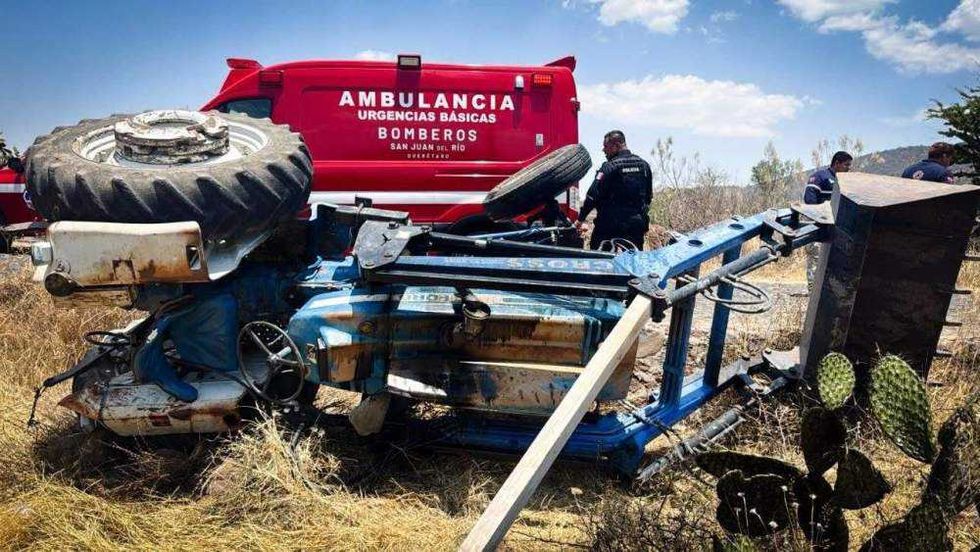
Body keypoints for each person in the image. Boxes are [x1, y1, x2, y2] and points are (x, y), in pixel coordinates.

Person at [574, 130, 652, 251]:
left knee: (600, 262)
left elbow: (592, 196)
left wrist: (581, 218)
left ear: (616, 145)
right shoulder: (644, 166)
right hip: (635, 227)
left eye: (606, 146)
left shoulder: (609, 167)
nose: (603, 150)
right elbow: (648, 197)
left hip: (609, 227)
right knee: (633, 263)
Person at [803, 150, 852, 291]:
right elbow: (809, 200)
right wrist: (821, 215)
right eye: (846, 165)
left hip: (836, 229)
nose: (848, 169)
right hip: (817, 226)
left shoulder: (844, 182)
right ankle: (812, 290)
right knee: (816, 258)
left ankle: (828, 289)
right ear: (837, 163)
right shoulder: (819, 177)